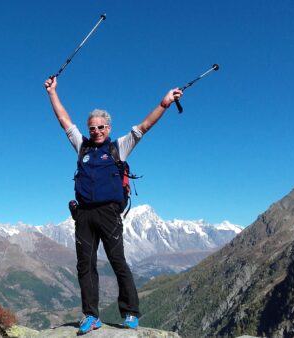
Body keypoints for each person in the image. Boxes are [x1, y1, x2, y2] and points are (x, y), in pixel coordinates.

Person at [44, 76, 183, 334]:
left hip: (109, 213)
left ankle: (130, 312)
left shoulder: (119, 146)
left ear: (108, 128)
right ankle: (91, 315)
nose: (96, 131)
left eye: (101, 127)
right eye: (92, 127)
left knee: (117, 260)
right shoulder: (81, 146)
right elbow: (64, 121)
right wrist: (53, 93)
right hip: (83, 214)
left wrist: (164, 104)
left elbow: (145, 126)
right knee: (85, 264)